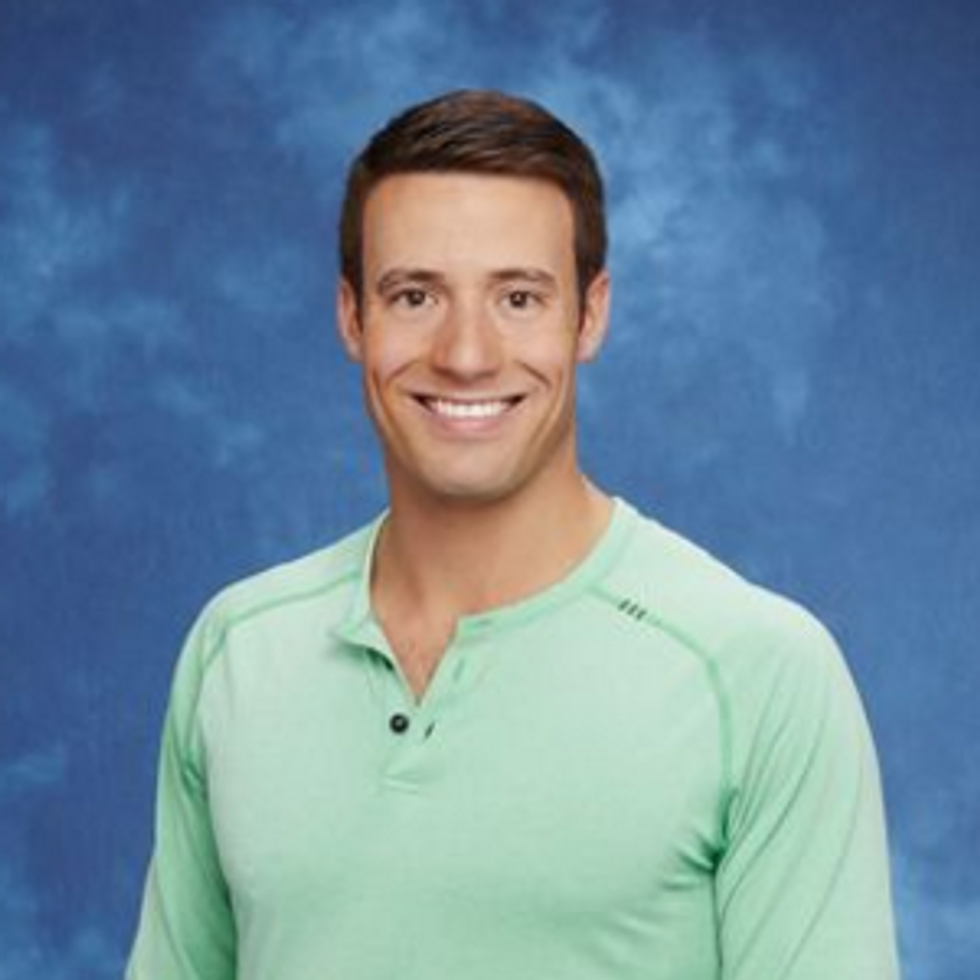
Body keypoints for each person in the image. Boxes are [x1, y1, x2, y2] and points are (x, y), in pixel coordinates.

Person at [125, 89, 900, 980]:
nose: (466, 354)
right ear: (351, 317)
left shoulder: (759, 671)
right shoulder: (238, 647)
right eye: (415, 295)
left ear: (590, 315)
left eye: (520, 298)